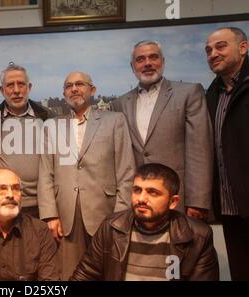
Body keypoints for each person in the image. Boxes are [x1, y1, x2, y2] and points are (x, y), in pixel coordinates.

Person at [38, 71, 136, 280]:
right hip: (66, 216)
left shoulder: (115, 121)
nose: (74, 89)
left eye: (80, 84)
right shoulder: (52, 126)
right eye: (68, 86)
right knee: (69, 274)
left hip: (106, 213)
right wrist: (50, 215)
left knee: (109, 272)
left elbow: (127, 171)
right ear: (64, 93)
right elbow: (46, 173)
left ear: (92, 90)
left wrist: (120, 217)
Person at [111, 40, 213, 222]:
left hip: (177, 198)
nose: (147, 63)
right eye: (140, 59)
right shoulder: (119, 103)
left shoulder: (189, 93)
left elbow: (200, 150)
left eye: (153, 57)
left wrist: (198, 201)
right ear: (132, 66)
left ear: (163, 61)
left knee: (179, 249)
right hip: (138, 200)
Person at [71, 163, 219, 281]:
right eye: (137, 190)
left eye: (152, 192)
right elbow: (85, 275)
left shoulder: (198, 236)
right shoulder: (111, 227)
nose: (141, 198)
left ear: (173, 202)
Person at [205, 27, 249, 280]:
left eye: (220, 46)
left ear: (243, 48)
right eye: (208, 50)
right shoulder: (212, 94)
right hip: (231, 208)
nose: (213, 54)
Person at [0, 63, 54, 218]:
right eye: (10, 85)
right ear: (2, 90)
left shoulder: (49, 118)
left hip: (43, 207)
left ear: (29, 87)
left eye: (21, 84)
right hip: (4, 206)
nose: (16, 90)